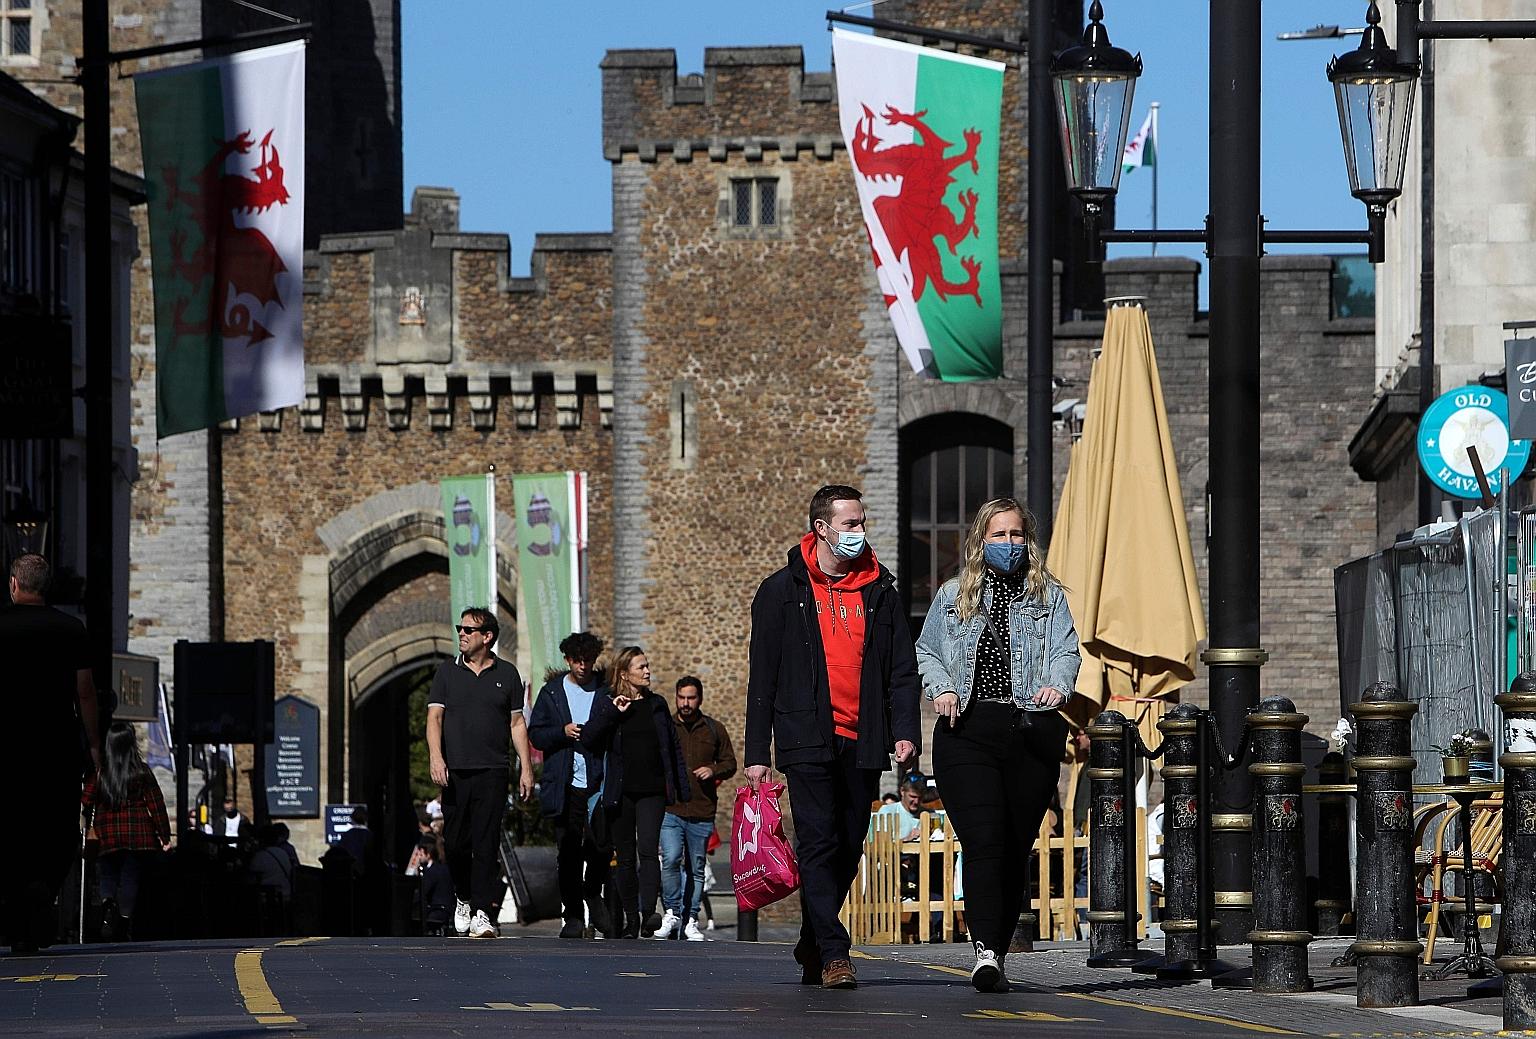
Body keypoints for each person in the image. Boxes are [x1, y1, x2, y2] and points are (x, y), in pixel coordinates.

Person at [744, 484, 921, 989]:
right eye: (850, 524)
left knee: (848, 843)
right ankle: (835, 953)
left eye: (862, 523)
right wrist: (758, 752)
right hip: (805, 736)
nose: (859, 533)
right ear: (821, 528)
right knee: (819, 840)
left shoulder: (880, 589)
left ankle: (812, 938)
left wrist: (905, 730)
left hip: (863, 738)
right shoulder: (781, 591)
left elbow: (901, 671)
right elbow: (763, 677)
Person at [916, 497, 1081, 993]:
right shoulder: (953, 596)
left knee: (1013, 847)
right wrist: (943, 686)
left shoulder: (1048, 597)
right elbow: (927, 649)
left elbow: (1066, 648)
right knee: (984, 840)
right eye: (998, 535)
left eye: (1016, 535)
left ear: (1028, 541)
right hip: (968, 729)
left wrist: (1057, 684)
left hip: (1030, 730)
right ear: (979, 542)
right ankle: (985, 950)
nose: (1008, 544)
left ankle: (999, 947)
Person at [0, 553, 100, 954]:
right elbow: (86, 692)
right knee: (55, 829)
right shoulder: (70, 629)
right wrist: (94, 745)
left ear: (13, 584)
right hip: (54, 748)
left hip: (5, 750)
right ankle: (40, 893)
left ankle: (17, 908)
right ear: (47, 588)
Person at [427, 607, 534, 940]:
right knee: (457, 843)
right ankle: (462, 896)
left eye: (468, 629)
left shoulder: (508, 674)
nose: (461, 633)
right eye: (460, 628)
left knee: (486, 843)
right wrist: (436, 757)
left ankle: (483, 913)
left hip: (493, 768)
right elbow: (434, 720)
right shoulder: (447, 673)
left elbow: (517, 723)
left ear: (487, 637)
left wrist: (526, 768)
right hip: (455, 770)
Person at [579, 646, 689, 939]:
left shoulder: (657, 705)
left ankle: (647, 914)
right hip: (621, 791)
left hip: (652, 790)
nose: (647, 671)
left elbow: (672, 747)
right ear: (624, 673)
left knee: (649, 851)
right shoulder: (608, 702)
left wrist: (681, 788)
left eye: (647, 666)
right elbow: (589, 738)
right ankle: (629, 918)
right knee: (625, 856)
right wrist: (613, 712)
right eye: (641, 667)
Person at [528, 631, 613, 939]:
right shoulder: (552, 693)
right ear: (568, 660)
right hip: (564, 784)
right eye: (577, 661)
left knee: (601, 846)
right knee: (568, 852)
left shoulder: (604, 691)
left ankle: (592, 891)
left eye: (588, 660)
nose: (583, 666)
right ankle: (573, 916)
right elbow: (536, 733)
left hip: (597, 781)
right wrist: (562, 732)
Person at [654, 675, 736, 942]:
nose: (686, 703)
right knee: (670, 859)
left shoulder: (713, 729)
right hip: (672, 808)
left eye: (691, 698)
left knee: (696, 867)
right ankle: (672, 912)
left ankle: (690, 918)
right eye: (681, 698)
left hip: (702, 809)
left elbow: (730, 763)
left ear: (699, 699)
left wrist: (712, 770)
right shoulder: (666, 727)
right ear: (676, 697)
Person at [81, 722, 170, 941]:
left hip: (107, 834)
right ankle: (124, 920)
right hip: (137, 834)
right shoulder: (141, 771)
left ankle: (107, 907)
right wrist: (164, 835)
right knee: (130, 877)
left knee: (108, 875)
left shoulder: (102, 773)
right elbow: (156, 805)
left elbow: (85, 800)